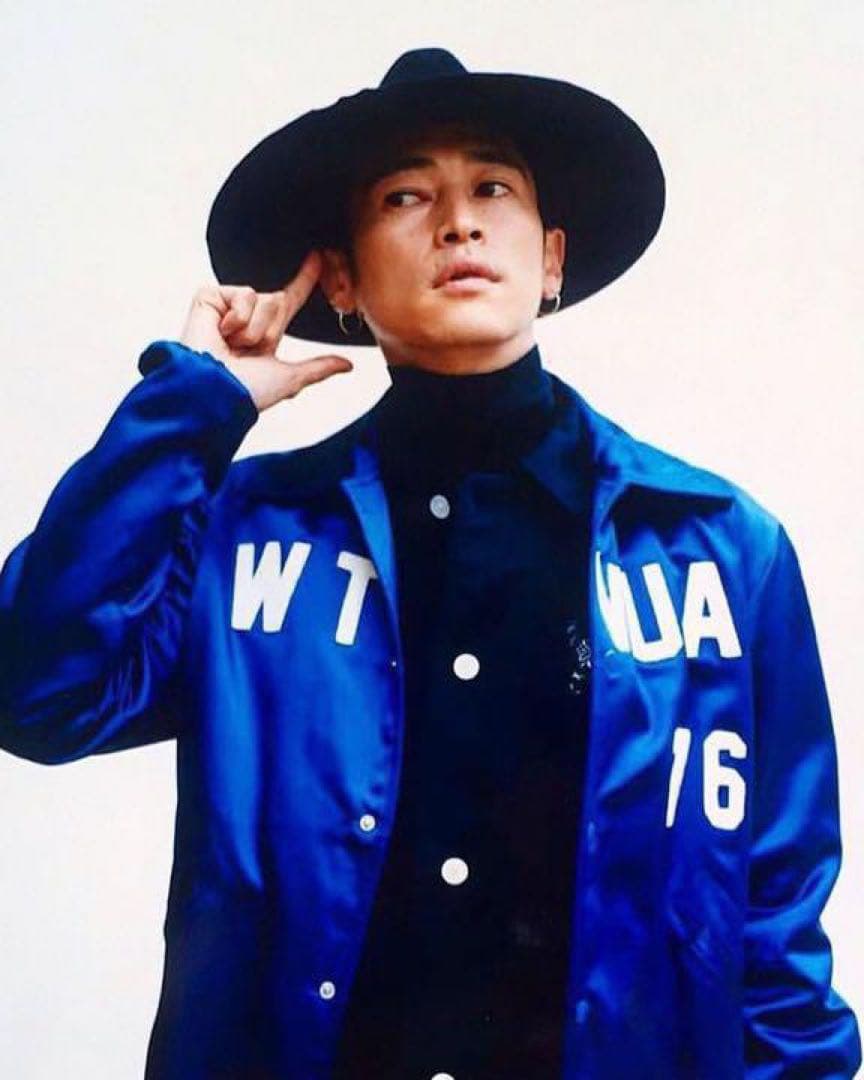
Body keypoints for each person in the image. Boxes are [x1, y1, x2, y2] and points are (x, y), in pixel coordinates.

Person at [0, 46, 859, 1080]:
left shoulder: (718, 546)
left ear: (551, 260)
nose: (458, 222)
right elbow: (36, 694)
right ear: (343, 281)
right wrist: (192, 406)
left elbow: (777, 912)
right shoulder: (245, 531)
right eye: (406, 196)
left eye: (493, 187)